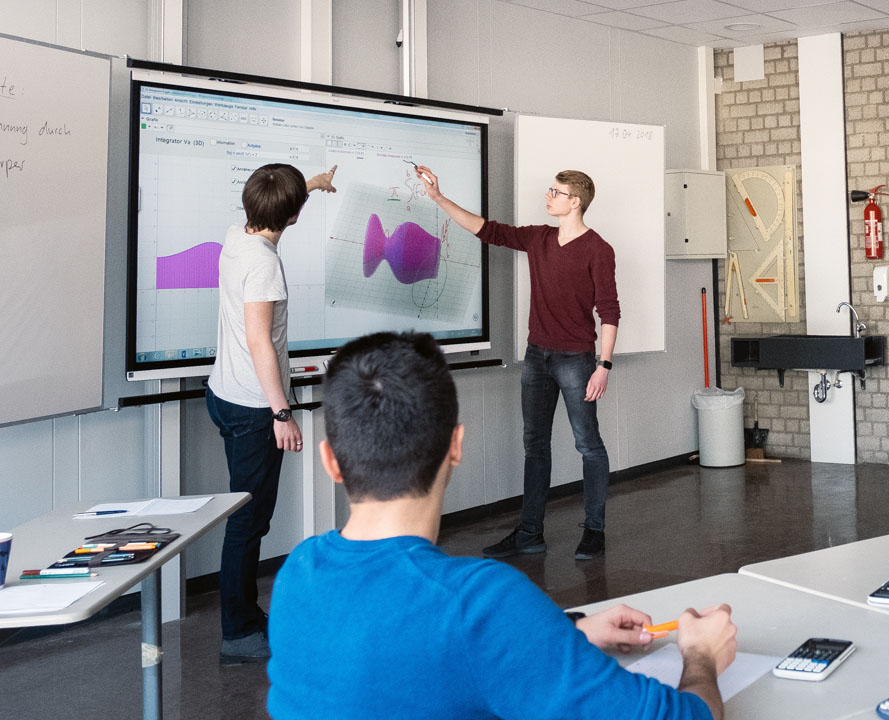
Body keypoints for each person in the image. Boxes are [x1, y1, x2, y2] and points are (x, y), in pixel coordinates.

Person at [266, 331, 738, 720]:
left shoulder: (297, 576)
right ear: (456, 445)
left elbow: (414, 658)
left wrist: (563, 634)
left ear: (331, 461)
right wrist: (702, 655)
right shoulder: (479, 603)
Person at [415, 166, 619, 560]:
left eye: (555, 192)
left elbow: (609, 312)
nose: (548, 196)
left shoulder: (598, 249)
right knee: (535, 446)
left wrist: (603, 365)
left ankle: (594, 529)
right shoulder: (539, 238)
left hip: (577, 361)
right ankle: (530, 532)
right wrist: (439, 199)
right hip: (538, 357)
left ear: (574, 202)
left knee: (588, 445)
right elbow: (487, 230)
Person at [206, 162, 337, 663]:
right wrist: (282, 413)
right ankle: (238, 632)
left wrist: (310, 186)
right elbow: (261, 341)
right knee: (248, 522)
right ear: (294, 217)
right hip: (253, 407)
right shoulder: (262, 263)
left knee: (245, 515)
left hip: (224, 393)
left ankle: (242, 618)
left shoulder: (235, 235)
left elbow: (275, 204)